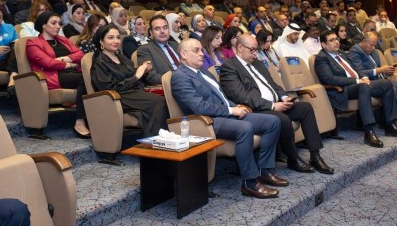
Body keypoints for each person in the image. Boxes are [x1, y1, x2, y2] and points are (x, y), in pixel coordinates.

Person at [170, 38, 284, 199]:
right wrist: (231, 110)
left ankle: (264, 170)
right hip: (207, 121)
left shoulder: (203, 72)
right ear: (183, 54)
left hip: (225, 114)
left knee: (273, 122)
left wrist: (236, 107)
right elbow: (199, 107)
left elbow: (221, 97)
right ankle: (249, 183)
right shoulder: (180, 76)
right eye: (196, 50)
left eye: (202, 50)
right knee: (245, 128)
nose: (202, 54)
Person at [221, 34, 333, 174]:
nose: (255, 54)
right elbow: (241, 96)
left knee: (305, 108)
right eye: (252, 50)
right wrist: (273, 106)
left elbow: (273, 84)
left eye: (256, 50)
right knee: (283, 119)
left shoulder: (257, 63)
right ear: (240, 47)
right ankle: (293, 159)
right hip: (257, 110)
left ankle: (315, 156)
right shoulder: (229, 67)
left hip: (276, 104)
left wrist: (284, 97)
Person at [314, 30, 397, 148]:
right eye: (331, 40)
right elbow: (330, 79)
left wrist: (363, 77)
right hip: (343, 90)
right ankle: (369, 132)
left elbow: (355, 69)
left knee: (386, 84)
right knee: (363, 87)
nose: (336, 42)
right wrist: (357, 81)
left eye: (337, 39)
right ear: (323, 44)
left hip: (358, 84)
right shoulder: (321, 58)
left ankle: (390, 125)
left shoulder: (342, 53)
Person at [90, 25, 168, 137]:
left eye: (118, 37)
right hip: (118, 96)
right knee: (158, 102)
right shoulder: (99, 62)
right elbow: (110, 88)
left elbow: (129, 74)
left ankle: (159, 137)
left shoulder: (121, 57)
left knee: (163, 99)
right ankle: (156, 140)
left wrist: (143, 70)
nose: (116, 41)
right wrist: (136, 76)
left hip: (133, 92)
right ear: (101, 41)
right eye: (111, 38)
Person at [25, 12, 90, 138]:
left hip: (71, 73)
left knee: (93, 76)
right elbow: (48, 63)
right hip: (52, 77)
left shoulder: (63, 40)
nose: (58, 26)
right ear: (43, 25)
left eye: (59, 23)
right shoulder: (33, 43)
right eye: (53, 23)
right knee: (86, 78)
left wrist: (62, 59)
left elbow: (80, 54)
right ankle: (80, 122)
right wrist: (69, 64)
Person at [348, 32, 397, 118]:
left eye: (375, 45)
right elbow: (358, 72)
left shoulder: (374, 52)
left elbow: (377, 68)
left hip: (383, 79)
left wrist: (387, 71)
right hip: (369, 83)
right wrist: (380, 70)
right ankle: (390, 117)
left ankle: (395, 113)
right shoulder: (355, 51)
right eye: (371, 45)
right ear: (363, 41)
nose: (373, 48)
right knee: (392, 89)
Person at [136, 15, 180, 85]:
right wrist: (178, 77)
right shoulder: (145, 50)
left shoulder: (176, 45)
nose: (162, 31)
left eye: (165, 28)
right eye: (157, 29)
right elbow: (151, 77)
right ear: (151, 32)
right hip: (173, 85)